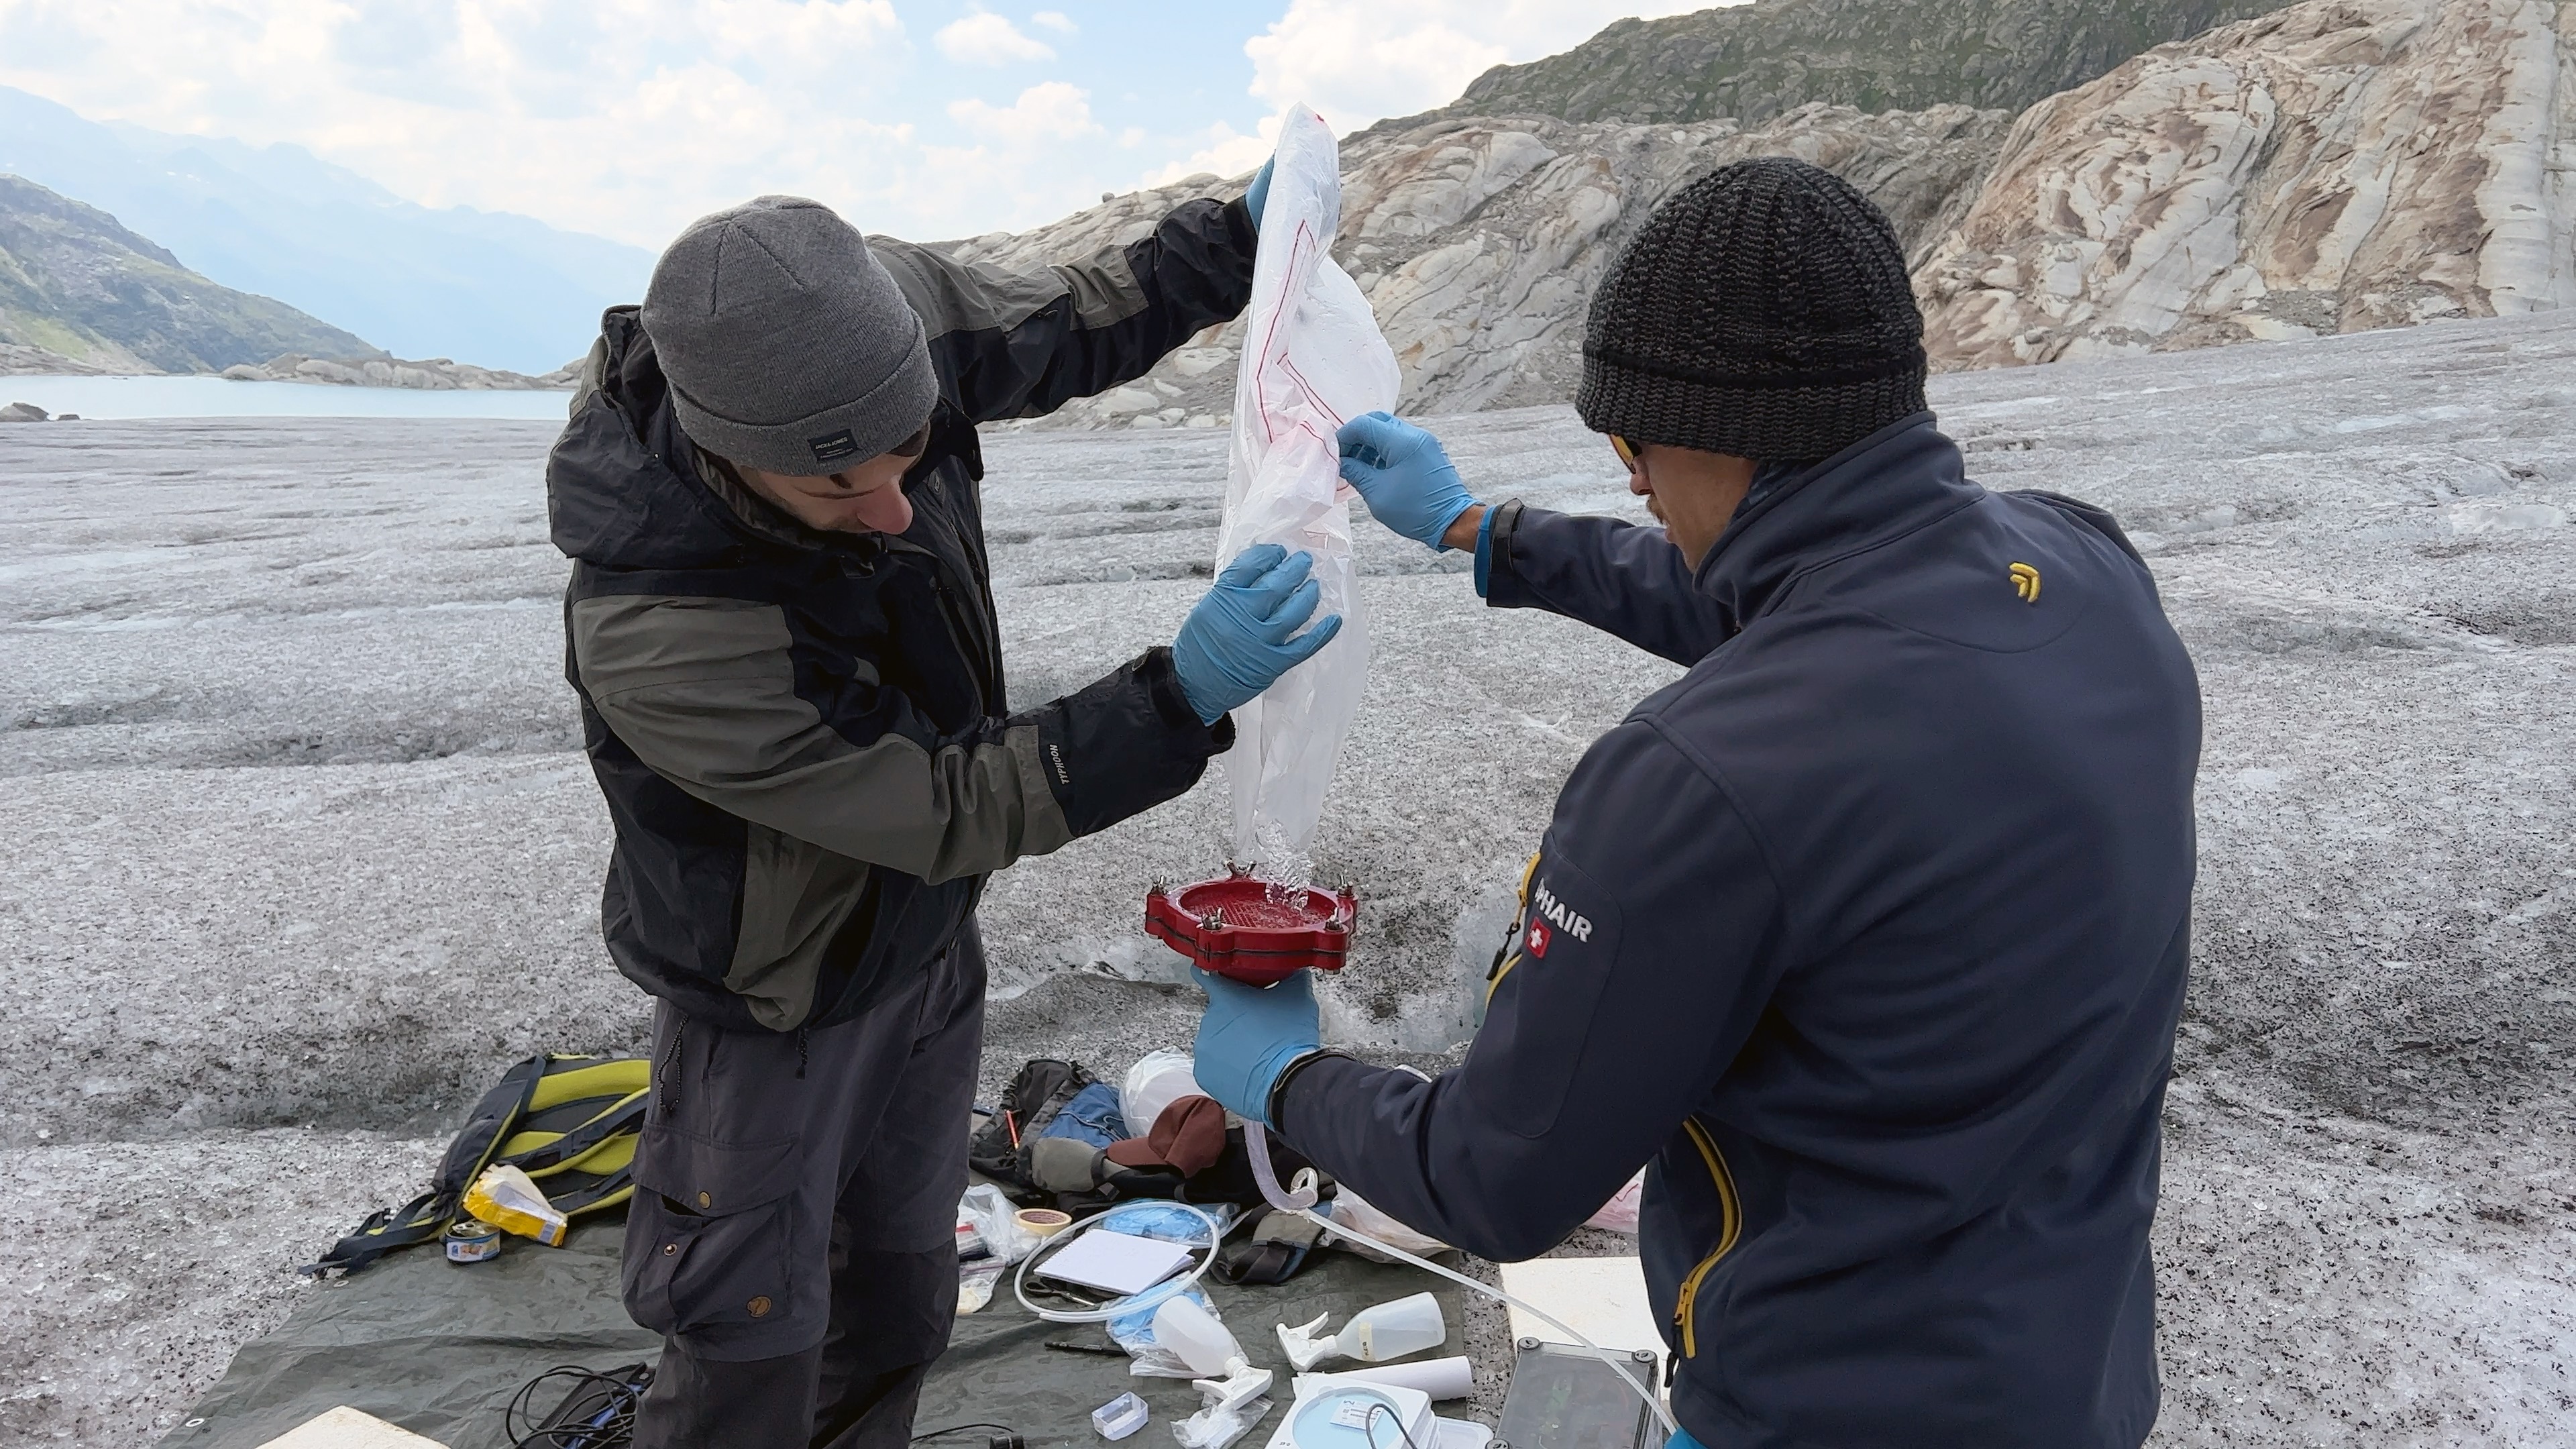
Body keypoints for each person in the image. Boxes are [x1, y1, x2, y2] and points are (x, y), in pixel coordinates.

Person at [1189, 158, 2203, 1448]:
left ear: (1705, 433)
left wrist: (1284, 1077)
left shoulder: (1693, 784)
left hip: (1821, 1409)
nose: (1631, 485)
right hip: (2077, 1374)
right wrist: (1481, 530)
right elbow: (1811, 600)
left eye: (1630, 446)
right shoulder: (2082, 568)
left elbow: (1497, 1173)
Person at [546, 167, 1341, 1448]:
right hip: (780, 997)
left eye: (910, 452)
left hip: (926, 947)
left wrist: (1245, 241)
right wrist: (1176, 698)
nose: (896, 509)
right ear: (728, 452)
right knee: (749, 1326)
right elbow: (939, 801)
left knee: (899, 1295)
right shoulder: (667, 624)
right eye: (836, 493)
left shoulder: (883, 322)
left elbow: (1067, 313)